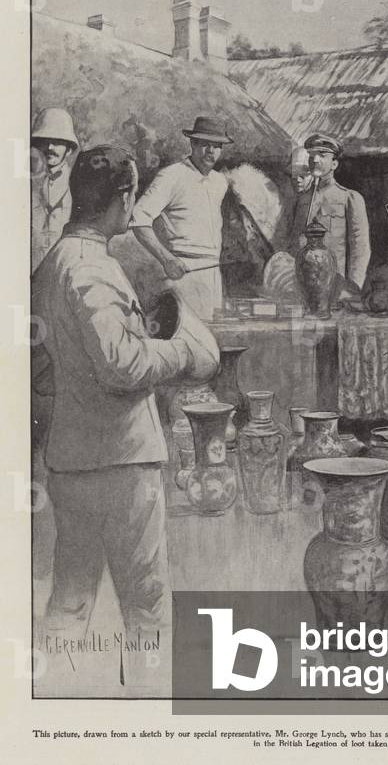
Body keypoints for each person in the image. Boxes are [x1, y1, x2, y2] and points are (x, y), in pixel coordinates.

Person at [32, 146, 211, 640]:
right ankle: (148, 707)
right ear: (124, 197)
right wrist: (181, 353)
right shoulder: (90, 266)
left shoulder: (52, 264)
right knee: (146, 606)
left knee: (69, 603)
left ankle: (59, 696)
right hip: (120, 462)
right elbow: (122, 365)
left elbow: (39, 370)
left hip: (71, 458)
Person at [130, 116, 241, 318]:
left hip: (213, 276)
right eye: (205, 144)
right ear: (192, 143)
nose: (211, 151)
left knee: (213, 339)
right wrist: (167, 260)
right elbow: (138, 220)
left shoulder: (220, 182)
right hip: (183, 274)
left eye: (216, 146)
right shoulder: (171, 176)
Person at [288, 133, 371, 290]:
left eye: (322, 155)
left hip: (335, 285)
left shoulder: (349, 198)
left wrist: (353, 285)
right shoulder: (302, 200)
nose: (315, 160)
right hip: (302, 284)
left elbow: (360, 247)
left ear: (334, 164)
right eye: (312, 155)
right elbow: (294, 242)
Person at [30, 107, 79, 271]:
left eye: (57, 142)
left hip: (65, 267)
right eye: (45, 141)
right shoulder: (25, 180)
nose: (50, 147)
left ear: (69, 148)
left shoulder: (78, 181)